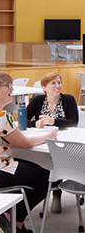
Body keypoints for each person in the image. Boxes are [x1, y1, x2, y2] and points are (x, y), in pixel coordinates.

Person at [0, 73, 58, 233]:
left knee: (34, 169)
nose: (12, 89)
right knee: (49, 177)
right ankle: (14, 217)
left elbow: (11, 141)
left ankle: (13, 215)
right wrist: (48, 137)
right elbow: (24, 144)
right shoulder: (0, 116)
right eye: (8, 86)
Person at [27, 72, 78, 214]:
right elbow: (22, 120)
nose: (58, 86)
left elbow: (73, 123)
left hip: (64, 141)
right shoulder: (37, 100)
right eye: (53, 83)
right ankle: (49, 189)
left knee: (57, 159)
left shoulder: (68, 100)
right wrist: (35, 124)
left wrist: (54, 122)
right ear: (44, 87)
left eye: (59, 83)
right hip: (42, 140)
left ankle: (56, 193)